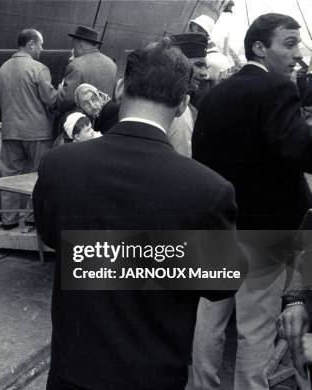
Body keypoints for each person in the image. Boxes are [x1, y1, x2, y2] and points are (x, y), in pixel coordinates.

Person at [33, 38, 243, 390]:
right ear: (183, 105)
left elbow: (52, 237)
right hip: (153, 376)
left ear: (118, 89)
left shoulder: (59, 165)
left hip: (73, 371)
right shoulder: (208, 189)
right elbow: (221, 285)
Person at [189, 13, 311, 390]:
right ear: (259, 47)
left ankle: (201, 385)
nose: (297, 54)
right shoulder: (277, 88)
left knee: (209, 320)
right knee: (255, 329)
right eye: (288, 44)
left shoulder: (213, 94)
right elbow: (298, 151)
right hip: (264, 231)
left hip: (217, 226)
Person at [0, 28, 57, 230]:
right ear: (31, 44)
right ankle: (31, 218)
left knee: (9, 177)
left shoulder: (2, 68)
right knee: (38, 175)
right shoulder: (39, 69)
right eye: (40, 45)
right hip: (37, 132)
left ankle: (8, 220)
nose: (41, 49)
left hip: (10, 131)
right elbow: (50, 99)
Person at [55, 25, 117, 113]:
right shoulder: (112, 64)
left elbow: (66, 101)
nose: (73, 50)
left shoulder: (76, 65)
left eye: (74, 47)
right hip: (103, 120)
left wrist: (60, 92)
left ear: (80, 47)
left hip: (80, 122)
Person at [166, 33, 208, 157]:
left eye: (206, 66)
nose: (205, 74)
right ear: (179, 63)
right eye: (199, 65)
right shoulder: (180, 113)